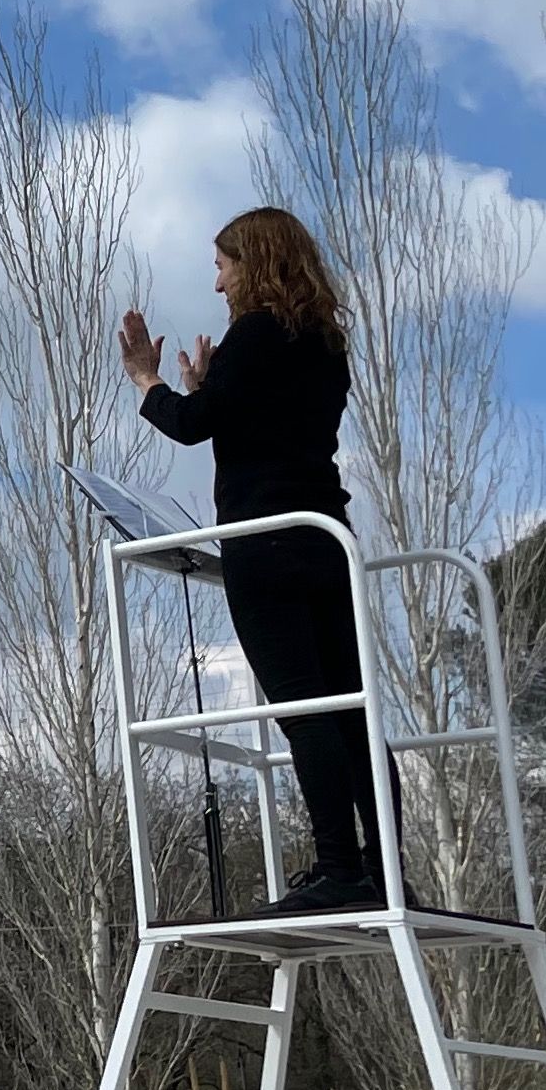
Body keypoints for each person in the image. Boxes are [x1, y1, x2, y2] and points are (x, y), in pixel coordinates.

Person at [123, 206, 381, 915]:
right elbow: (261, 422)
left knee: (303, 711)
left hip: (264, 545)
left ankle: (337, 870)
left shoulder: (254, 333)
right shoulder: (324, 342)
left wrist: (149, 381)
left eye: (221, 265)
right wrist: (212, 387)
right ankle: (381, 867)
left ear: (254, 262)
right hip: (327, 539)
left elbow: (189, 427)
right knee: (350, 708)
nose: (216, 284)